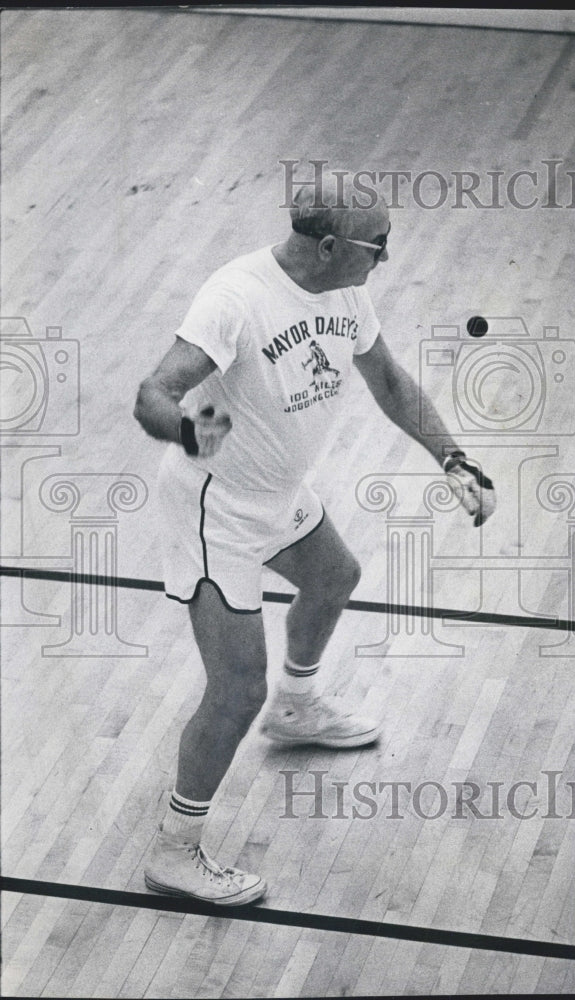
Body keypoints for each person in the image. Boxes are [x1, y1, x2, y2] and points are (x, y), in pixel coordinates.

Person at [133, 177, 496, 905]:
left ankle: (296, 707)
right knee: (235, 690)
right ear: (327, 246)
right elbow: (152, 393)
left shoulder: (343, 290)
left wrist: (452, 457)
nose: (387, 257)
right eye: (377, 245)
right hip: (216, 511)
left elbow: (387, 380)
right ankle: (174, 851)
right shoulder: (236, 297)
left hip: (275, 495)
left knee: (333, 578)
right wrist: (188, 430)